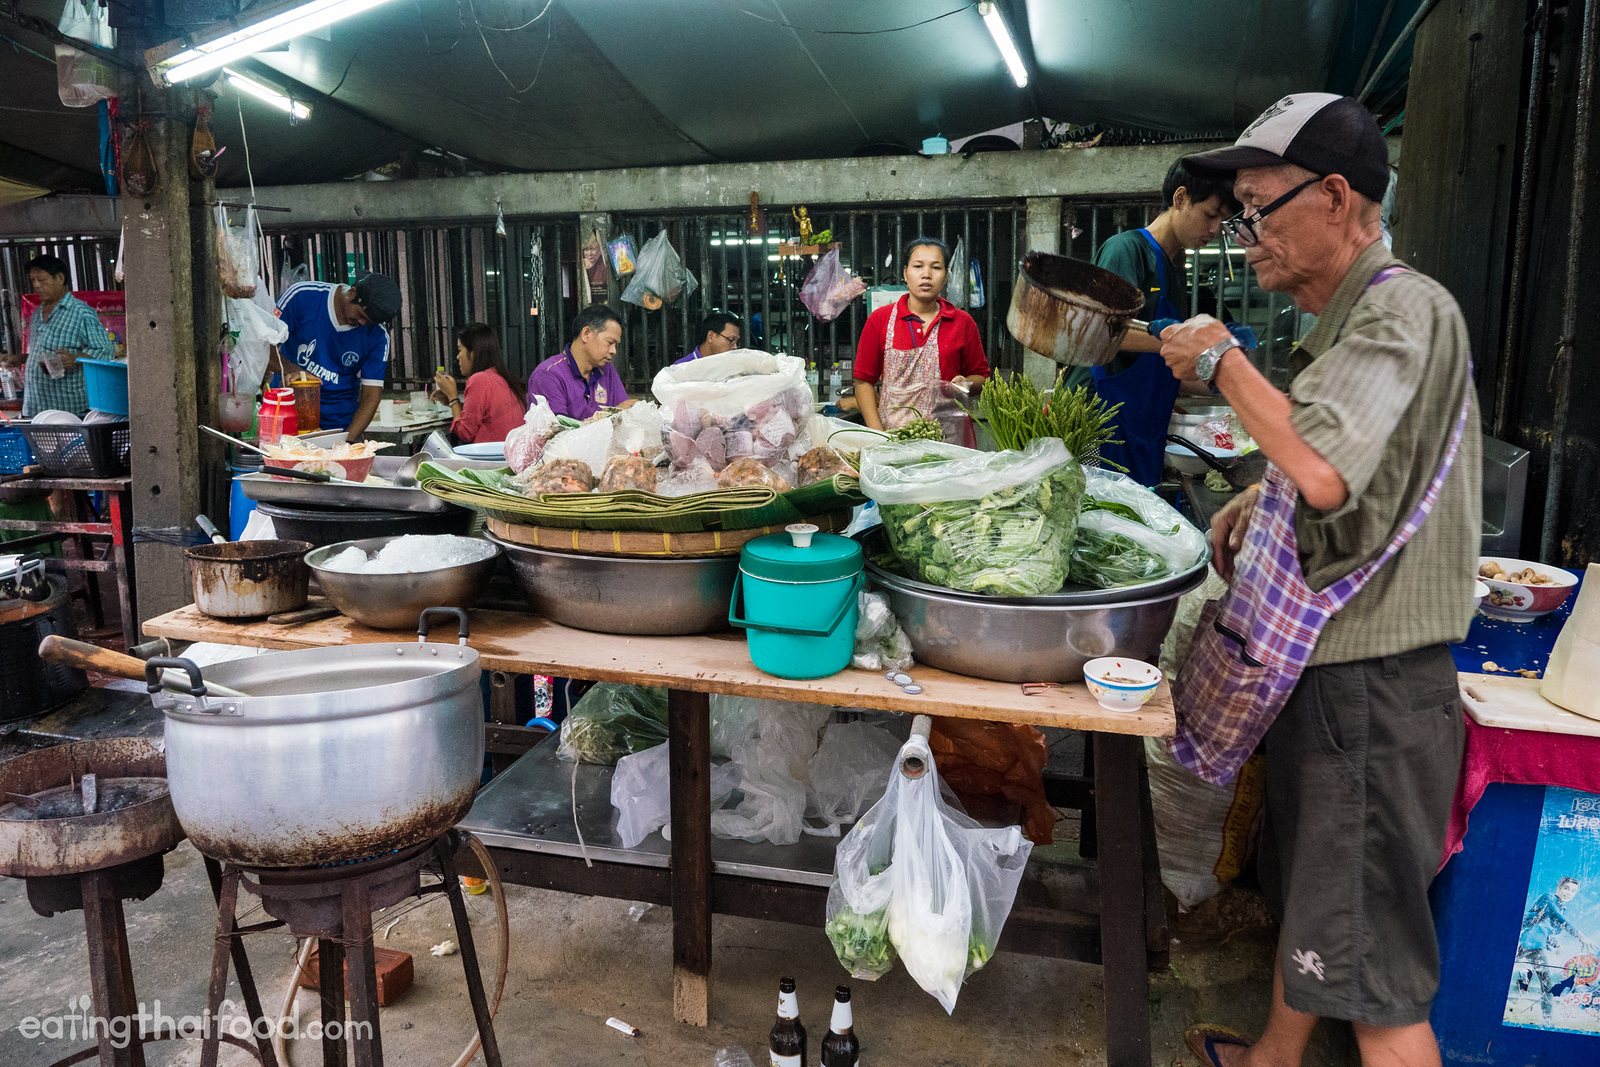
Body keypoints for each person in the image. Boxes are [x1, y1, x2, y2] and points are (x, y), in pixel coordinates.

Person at [1162, 94, 1481, 1067]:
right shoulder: (1351, 328)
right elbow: (1330, 480)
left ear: (1337, 197)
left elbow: (1326, 469)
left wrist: (1220, 360)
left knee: (1376, 984)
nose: (1246, 234)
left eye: (1259, 208)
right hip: (1342, 686)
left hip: (1373, 696)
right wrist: (1251, 500)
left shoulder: (1400, 307)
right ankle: (1269, 1057)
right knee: (1319, 905)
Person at [1067, 160, 1249, 485]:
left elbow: (1159, 360)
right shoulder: (1127, 250)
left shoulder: (1175, 268)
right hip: (1099, 418)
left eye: (1223, 221)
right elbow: (1103, 330)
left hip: (1138, 421)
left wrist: (1221, 378)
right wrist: (1191, 344)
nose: (1214, 229)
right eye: (1210, 214)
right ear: (1180, 199)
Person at [852, 237, 989, 443]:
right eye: (918, 266)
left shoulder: (962, 322)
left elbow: (982, 379)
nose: (926, 275)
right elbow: (863, 382)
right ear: (906, 273)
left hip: (949, 440)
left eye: (936, 267)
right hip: (893, 438)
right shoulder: (880, 320)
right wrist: (878, 436)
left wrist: (965, 384)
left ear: (946, 277)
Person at [271, 272, 401, 442]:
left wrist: (347, 442)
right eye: (361, 315)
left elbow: (371, 396)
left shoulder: (378, 336)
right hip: (287, 415)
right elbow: (262, 347)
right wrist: (294, 371)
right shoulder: (302, 296)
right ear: (353, 292)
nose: (362, 324)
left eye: (369, 322)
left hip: (338, 425)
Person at [19, 255, 117, 418]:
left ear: (60, 278)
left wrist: (75, 358)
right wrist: (21, 358)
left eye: (42, 280)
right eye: (33, 280)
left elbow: (105, 352)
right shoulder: (37, 313)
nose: (36, 286)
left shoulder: (81, 312)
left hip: (67, 408)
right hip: (35, 406)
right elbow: (42, 352)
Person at [527, 304, 636, 420]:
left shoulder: (607, 370)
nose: (614, 351)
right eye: (609, 343)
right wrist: (610, 416)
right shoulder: (548, 375)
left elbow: (623, 416)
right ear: (586, 334)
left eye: (616, 345)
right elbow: (556, 433)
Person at [1515, 877, 1595, 1024]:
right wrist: (1580, 936)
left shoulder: (1562, 908)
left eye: (1573, 891)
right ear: (1558, 888)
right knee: (1546, 983)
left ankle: (1547, 1019)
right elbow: (1555, 916)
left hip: (1535, 947)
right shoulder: (1548, 898)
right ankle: (1547, 1019)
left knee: (1547, 984)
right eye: (1566, 888)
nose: (1568, 893)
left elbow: (1549, 932)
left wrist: (1556, 945)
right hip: (1524, 942)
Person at [433, 324, 526, 444]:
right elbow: (483, 415)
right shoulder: (502, 377)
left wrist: (453, 399)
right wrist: (451, 402)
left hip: (488, 458)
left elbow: (465, 433)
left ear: (473, 353)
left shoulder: (479, 380)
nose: (458, 356)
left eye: (460, 350)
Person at [672, 311, 742, 365]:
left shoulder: (732, 366)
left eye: (737, 342)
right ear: (710, 336)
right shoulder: (683, 367)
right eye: (731, 340)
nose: (735, 347)